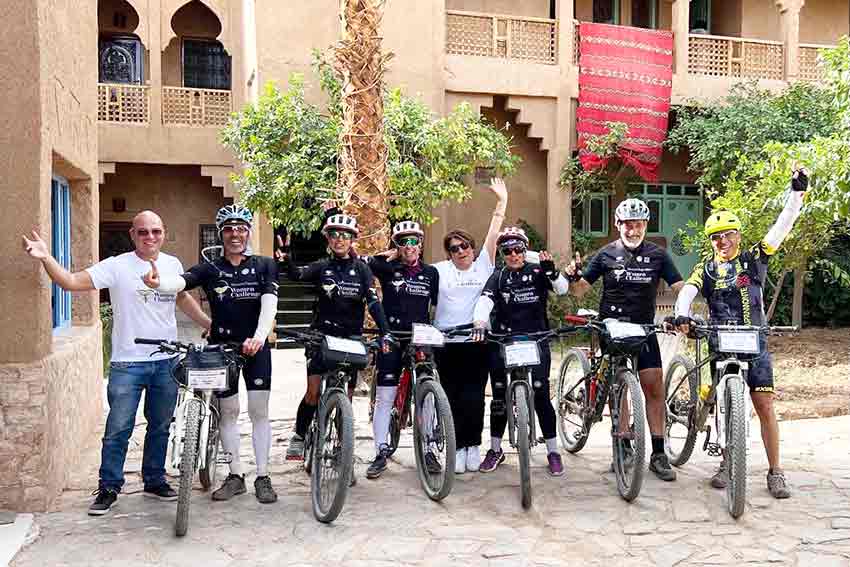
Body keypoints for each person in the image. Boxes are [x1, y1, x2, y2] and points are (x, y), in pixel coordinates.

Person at [21, 211, 211, 516]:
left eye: (156, 232)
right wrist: (46, 258)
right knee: (118, 428)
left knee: (161, 425)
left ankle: (154, 479)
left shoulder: (172, 264)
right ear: (132, 234)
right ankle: (109, 486)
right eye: (143, 232)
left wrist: (207, 323)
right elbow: (70, 282)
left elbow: (181, 297)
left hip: (166, 360)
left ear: (163, 233)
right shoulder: (117, 266)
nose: (150, 237)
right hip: (128, 363)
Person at [672, 169, 809, 499]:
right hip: (720, 340)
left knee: (763, 405)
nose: (722, 241)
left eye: (728, 234)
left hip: (754, 341)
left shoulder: (754, 259)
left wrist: (796, 194)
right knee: (723, 404)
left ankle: (775, 471)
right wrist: (681, 314)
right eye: (716, 237)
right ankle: (726, 462)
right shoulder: (705, 268)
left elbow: (781, 228)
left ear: (738, 235)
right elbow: (689, 291)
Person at [141, 204, 280, 504]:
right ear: (222, 233)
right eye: (229, 229)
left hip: (256, 350)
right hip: (223, 350)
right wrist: (159, 283)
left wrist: (258, 338)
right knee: (228, 413)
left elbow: (269, 304)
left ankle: (263, 476)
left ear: (248, 232)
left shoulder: (264, 265)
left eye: (241, 228)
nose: (235, 234)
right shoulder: (211, 268)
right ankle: (236, 474)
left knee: (259, 412)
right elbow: (182, 282)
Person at [565, 198, 684, 481]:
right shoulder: (606, 253)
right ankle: (623, 444)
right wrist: (574, 277)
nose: (634, 230)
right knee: (619, 386)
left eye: (639, 224)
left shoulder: (658, 254)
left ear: (646, 225)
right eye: (628, 225)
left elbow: (679, 286)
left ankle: (657, 454)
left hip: (644, 329)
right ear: (618, 225)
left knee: (654, 388)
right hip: (613, 328)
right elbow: (581, 290)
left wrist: (688, 306)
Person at [280, 213, 392, 485]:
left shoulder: (363, 270)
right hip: (321, 337)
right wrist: (286, 257)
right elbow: (298, 274)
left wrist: (385, 330)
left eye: (345, 235)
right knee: (313, 392)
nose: (340, 240)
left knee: (347, 402)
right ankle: (299, 435)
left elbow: (373, 303)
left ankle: (344, 454)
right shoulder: (322, 266)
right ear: (328, 240)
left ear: (353, 239)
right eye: (334, 235)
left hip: (350, 340)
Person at [471, 227, 570, 476]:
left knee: (540, 395)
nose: (514, 255)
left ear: (525, 251)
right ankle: (495, 449)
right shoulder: (498, 276)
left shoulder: (537, 271)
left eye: (518, 250)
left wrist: (553, 272)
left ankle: (552, 451)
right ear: (503, 253)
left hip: (536, 339)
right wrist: (480, 324)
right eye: (508, 251)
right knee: (499, 396)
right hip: (504, 340)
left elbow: (562, 289)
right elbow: (485, 301)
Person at [433, 178, 508, 474]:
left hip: (477, 340)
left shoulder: (484, 265)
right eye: (454, 248)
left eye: (465, 246)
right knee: (451, 396)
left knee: (475, 396)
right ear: (448, 252)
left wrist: (501, 201)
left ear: (473, 248)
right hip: (448, 343)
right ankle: (457, 446)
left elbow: (494, 232)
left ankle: (472, 446)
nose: (461, 251)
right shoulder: (440, 271)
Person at [361, 221, 442, 479]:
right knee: (386, 396)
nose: (409, 246)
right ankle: (380, 452)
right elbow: (359, 258)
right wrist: (388, 255)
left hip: (419, 337)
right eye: (403, 241)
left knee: (428, 394)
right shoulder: (387, 268)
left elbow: (436, 307)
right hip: (392, 337)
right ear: (396, 245)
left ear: (420, 244)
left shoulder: (431, 273)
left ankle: (429, 449)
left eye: (413, 241)